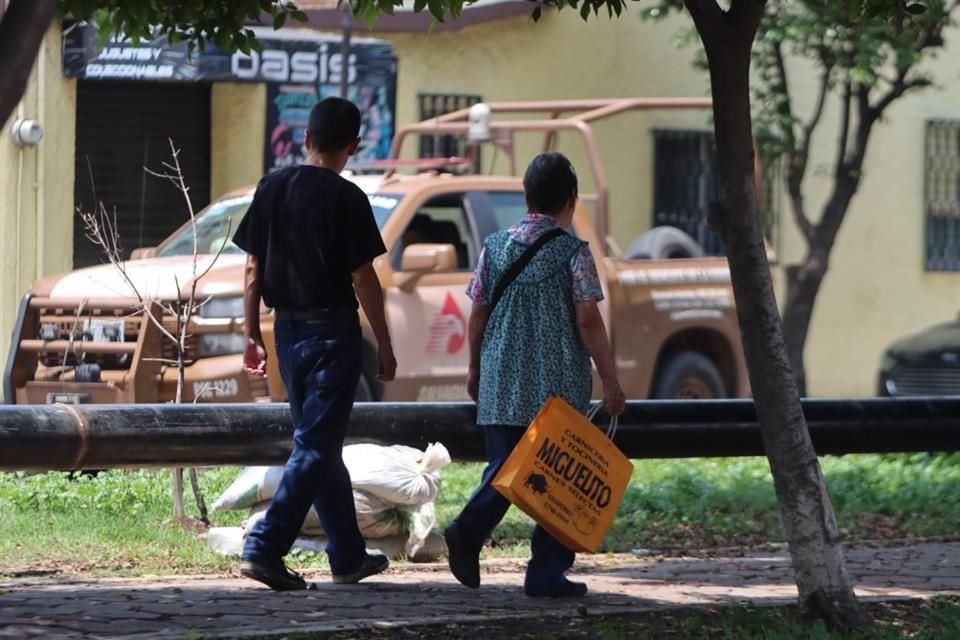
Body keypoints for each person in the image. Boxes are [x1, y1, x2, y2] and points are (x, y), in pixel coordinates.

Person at [232, 97, 397, 591]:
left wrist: (248, 335)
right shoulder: (348, 198)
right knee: (316, 446)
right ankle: (265, 546)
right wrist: (384, 343)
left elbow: (251, 269)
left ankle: (346, 556)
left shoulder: (272, 187)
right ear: (354, 145)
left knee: (320, 447)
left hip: (286, 331)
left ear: (305, 138)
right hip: (332, 334)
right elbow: (365, 279)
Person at [444, 152, 626, 598]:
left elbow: (478, 314)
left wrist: (474, 368)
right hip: (557, 384)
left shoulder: (494, 246)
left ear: (525, 197)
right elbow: (588, 321)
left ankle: (468, 531)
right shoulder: (574, 253)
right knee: (559, 478)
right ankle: (544, 573)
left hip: (502, 376)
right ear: (571, 198)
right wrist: (611, 380)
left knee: (506, 469)